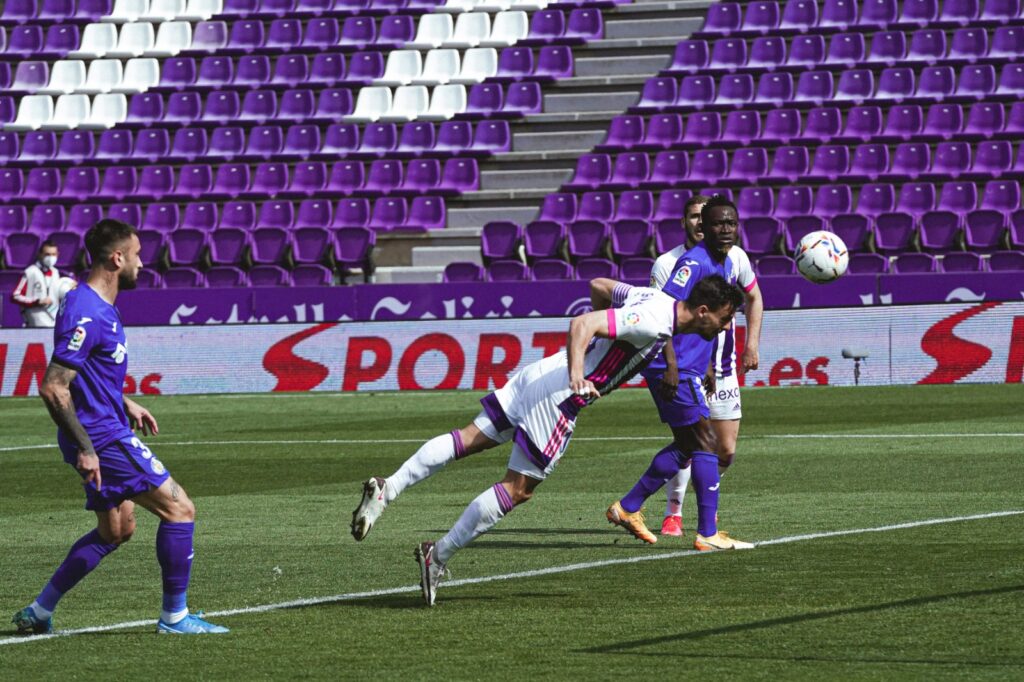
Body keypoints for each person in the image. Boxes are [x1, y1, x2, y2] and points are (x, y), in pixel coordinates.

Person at [351, 275, 745, 606]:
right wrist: (581, 372)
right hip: (559, 397)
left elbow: (600, 286)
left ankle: (389, 488)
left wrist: (587, 357)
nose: (727, 327)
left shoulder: (655, 299)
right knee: (518, 488)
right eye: (726, 319)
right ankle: (436, 556)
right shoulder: (652, 321)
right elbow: (582, 324)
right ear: (704, 312)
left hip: (540, 374)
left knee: (467, 439)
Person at [11, 219, 228, 636]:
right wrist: (88, 448)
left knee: (116, 530)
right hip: (102, 438)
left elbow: (86, 372)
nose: (142, 264)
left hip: (104, 425)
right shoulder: (87, 311)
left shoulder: (95, 306)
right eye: (137, 255)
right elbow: (54, 388)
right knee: (180, 510)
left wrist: (124, 401)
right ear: (117, 258)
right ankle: (175, 618)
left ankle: (39, 611)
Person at [606, 195, 758, 551]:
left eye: (731, 224)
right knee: (705, 442)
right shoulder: (692, 263)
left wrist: (705, 363)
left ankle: (627, 507)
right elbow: (664, 310)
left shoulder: (724, 263)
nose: (725, 230)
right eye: (718, 223)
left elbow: (701, 319)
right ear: (703, 227)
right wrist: (673, 364)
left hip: (691, 364)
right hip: (671, 363)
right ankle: (707, 532)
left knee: (689, 445)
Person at [650, 195, 764, 538]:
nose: (702, 223)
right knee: (695, 443)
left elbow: (754, 297)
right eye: (696, 218)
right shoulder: (669, 263)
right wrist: (671, 361)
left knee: (724, 450)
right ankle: (676, 512)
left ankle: (699, 501)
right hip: (687, 366)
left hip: (722, 365)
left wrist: (752, 344)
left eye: (708, 218)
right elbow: (662, 313)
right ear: (686, 222)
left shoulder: (735, 258)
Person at [12, 240, 62, 328]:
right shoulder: (30, 272)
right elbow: (15, 296)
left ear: (58, 255)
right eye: (47, 254)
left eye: (53, 254)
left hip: (53, 322)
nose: (51, 258)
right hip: (35, 324)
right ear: (40, 254)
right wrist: (36, 301)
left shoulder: (56, 273)